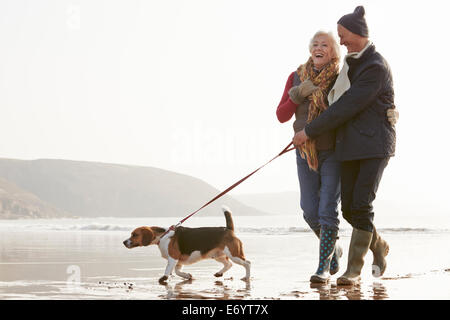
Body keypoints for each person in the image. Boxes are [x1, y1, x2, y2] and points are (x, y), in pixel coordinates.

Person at [293, 6, 397, 286]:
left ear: (358, 34)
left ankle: (352, 270)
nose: (341, 41)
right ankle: (380, 246)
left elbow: (347, 107)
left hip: (374, 146)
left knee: (361, 205)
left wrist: (309, 130)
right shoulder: (351, 63)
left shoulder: (374, 66)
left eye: (343, 36)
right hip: (349, 147)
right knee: (349, 210)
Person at [276, 31, 343, 284]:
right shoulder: (296, 77)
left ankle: (322, 268)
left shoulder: (340, 77)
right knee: (308, 210)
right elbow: (282, 115)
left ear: (334, 51)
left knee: (327, 209)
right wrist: (297, 94)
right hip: (304, 152)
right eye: (315, 44)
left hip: (334, 152)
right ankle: (333, 250)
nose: (319, 47)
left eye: (325, 44)